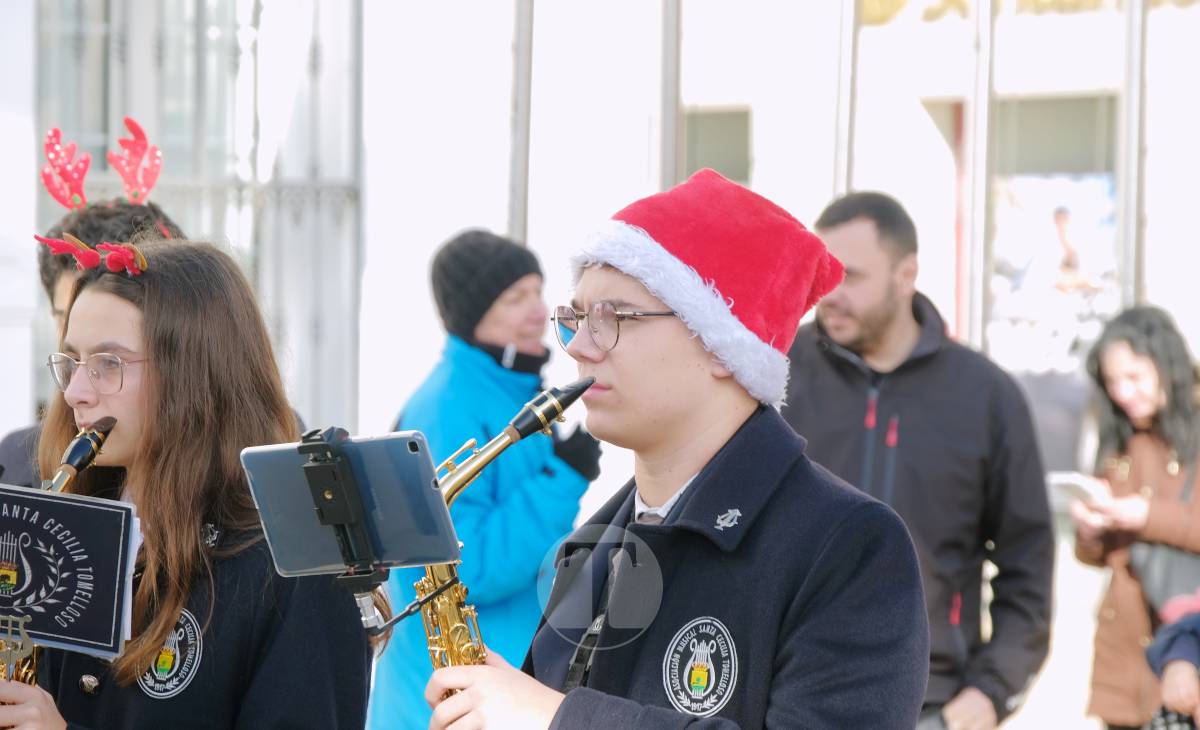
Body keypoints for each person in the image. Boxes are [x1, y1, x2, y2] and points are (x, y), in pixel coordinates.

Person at [419, 169, 930, 728]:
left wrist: (560, 719)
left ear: (719, 344)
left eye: (614, 318)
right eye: (577, 318)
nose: (581, 348)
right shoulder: (591, 547)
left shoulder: (850, 545)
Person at [0, 240, 376, 728]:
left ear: (195, 375)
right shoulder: (77, 529)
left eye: (109, 363)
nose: (74, 393)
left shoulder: (297, 569)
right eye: (72, 360)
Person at [783, 191, 1054, 730]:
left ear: (906, 274)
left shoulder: (985, 396)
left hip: (931, 706)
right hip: (787, 693)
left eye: (849, 276)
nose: (827, 295)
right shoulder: (777, 374)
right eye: (822, 274)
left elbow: (1029, 567)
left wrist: (989, 695)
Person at [367, 230, 600, 730]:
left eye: (537, 291)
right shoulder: (446, 406)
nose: (538, 309)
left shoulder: (503, 391)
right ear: (474, 313)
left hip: (486, 691)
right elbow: (472, 565)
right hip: (439, 705)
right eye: (515, 298)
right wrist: (561, 478)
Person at [1, 119, 186, 490]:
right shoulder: (17, 459)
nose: (75, 391)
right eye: (64, 320)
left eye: (110, 358)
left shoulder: (270, 459)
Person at [1071, 306, 1200, 729]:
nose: (1123, 393)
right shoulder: (1120, 436)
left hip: (1187, 650)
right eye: (1112, 382)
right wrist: (1091, 531)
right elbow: (1096, 556)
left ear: (1167, 366)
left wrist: (1145, 515)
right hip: (1124, 657)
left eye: (1134, 377)